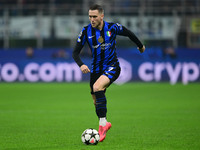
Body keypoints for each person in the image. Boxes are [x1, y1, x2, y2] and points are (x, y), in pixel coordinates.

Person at [73, 4, 145, 142]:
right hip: (95, 69)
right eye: (90, 16)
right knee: (95, 101)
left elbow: (129, 33)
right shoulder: (85, 31)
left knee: (97, 87)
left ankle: (103, 125)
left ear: (101, 16)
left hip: (112, 66)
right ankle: (104, 123)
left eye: (94, 16)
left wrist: (140, 46)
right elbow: (75, 52)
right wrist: (81, 64)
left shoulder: (112, 28)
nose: (92, 19)